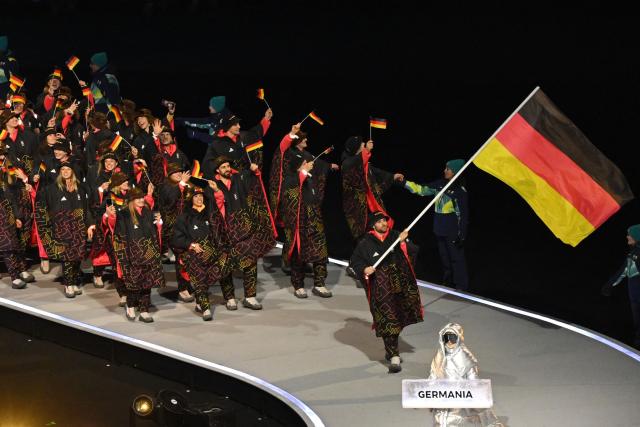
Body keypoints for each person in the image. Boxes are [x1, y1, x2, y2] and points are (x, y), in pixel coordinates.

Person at [349, 211, 423, 373]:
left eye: (385, 221)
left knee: (397, 318)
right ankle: (394, 355)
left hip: (399, 285)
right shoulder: (365, 243)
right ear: (373, 225)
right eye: (380, 222)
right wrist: (364, 268)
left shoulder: (396, 236)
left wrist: (404, 243)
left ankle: (391, 349)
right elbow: (354, 261)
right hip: (380, 289)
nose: (384, 224)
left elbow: (414, 250)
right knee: (387, 320)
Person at [279, 124, 338, 298]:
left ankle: (320, 284)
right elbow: (289, 195)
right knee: (298, 252)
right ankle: (298, 285)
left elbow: (318, 163)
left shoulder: (310, 178)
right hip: (299, 219)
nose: (308, 164)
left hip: (314, 217)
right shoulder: (290, 178)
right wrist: (301, 173)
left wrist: (328, 167)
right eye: (304, 163)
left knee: (320, 249)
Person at [210, 156, 275, 311]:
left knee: (251, 262)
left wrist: (255, 171)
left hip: (245, 229)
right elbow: (212, 210)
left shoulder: (238, 179)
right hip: (226, 232)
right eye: (223, 167)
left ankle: (250, 296)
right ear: (217, 170)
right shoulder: (212, 185)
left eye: (228, 166)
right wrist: (217, 193)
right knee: (226, 266)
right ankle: (230, 298)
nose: (227, 169)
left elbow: (253, 183)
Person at [404, 159, 469, 291]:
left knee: (456, 259)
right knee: (445, 259)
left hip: (452, 232)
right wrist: (404, 183)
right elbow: (422, 190)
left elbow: (463, 215)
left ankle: (461, 287)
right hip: (439, 229)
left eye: (448, 169)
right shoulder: (440, 184)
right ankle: (448, 283)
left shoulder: (460, 192)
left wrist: (461, 235)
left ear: (455, 172)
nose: (444, 171)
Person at [35, 163, 94, 298]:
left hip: (79, 228)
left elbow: (87, 209)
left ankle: (72, 282)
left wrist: (90, 224)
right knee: (68, 258)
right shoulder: (51, 189)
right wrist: (47, 225)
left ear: (73, 171)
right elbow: (41, 207)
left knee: (77, 257)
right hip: (62, 228)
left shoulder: (82, 188)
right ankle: (68, 285)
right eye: (63, 169)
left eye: (68, 169)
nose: (66, 171)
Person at [171, 184, 229, 320]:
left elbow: (220, 233)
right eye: (196, 196)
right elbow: (177, 238)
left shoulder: (211, 215)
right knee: (200, 279)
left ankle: (202, 301)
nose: (199, 199)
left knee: (224, 269)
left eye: (201, 196)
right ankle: (205, 308)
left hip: (213, 253)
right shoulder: (184, 217)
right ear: (191, 199)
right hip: (193, 254)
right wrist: (191, 245)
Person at [428, 323, 504, 426]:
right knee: (441, 419)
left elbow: (473, 380)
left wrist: (473, 392)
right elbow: (433, 376)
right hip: (443, 396)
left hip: (461, 397)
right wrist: (427, 394)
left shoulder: (465, 356)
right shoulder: (439, 357)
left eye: (453, 338)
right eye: (446, 338)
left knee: (461, 418)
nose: (449, 341)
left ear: (459, 338)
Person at [113, 187, 164, 322]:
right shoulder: (124, 214)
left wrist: (159, 224)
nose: (141, 200)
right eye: (138, 198)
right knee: (133, 285)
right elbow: (120, 237)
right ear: (131, 200)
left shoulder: (148, 212)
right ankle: (130, 306)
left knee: (147, 284)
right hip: (132, 255)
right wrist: (124, 257)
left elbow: (154, 233)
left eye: (142, 197)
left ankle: (144, 310)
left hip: (149, 254)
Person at [341, 136, 404, 241]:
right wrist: (367, 151)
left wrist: (392, 176)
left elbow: (377, 172)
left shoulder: (364, 163)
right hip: (357, 206)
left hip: (370, 202)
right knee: (362, 232)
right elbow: (354, 163)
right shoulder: (347, 163)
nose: (364, 144)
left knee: (380, 225)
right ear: (356, 147)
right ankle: (366, 252)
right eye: (362, 143)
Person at [0, 146, 34, 289]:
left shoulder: (10, 169)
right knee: (8, 245)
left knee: (16, 242)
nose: (1, 159)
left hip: (8, 211)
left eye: (2, 156)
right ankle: (14, 276)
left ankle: (21, 269)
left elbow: (11, 197)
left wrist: (17, 216)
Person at [601, 224, 640, 349]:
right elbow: (624, 271)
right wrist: (609, 285)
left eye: (630, 235)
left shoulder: (637, 254)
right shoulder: (633, 253)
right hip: (635, 296)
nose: (627, 237)